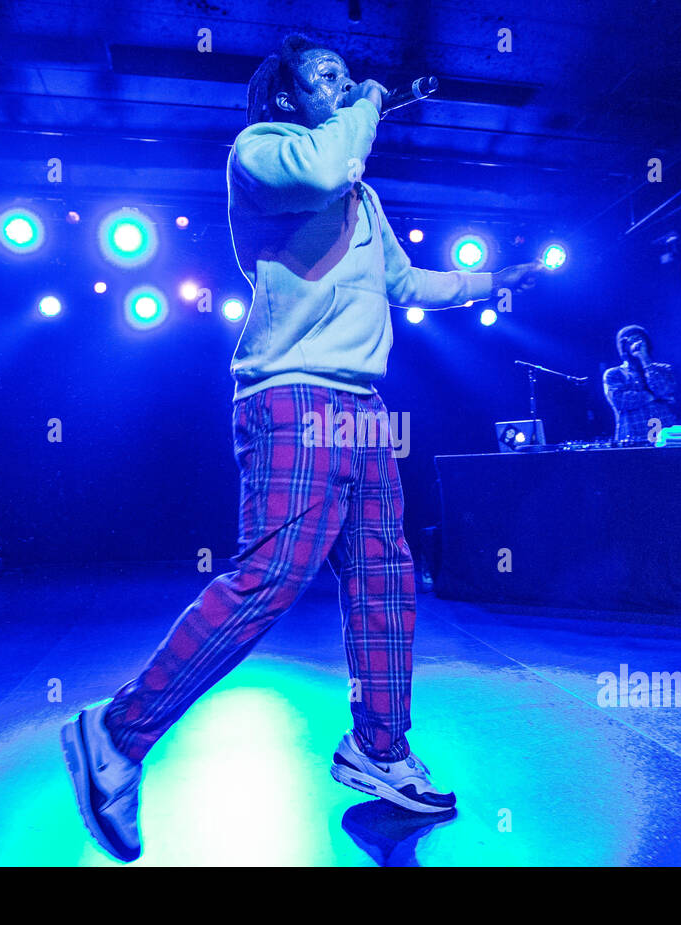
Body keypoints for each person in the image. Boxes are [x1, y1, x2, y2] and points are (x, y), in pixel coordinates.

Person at [60, 33, 544, 862]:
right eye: (329, 77)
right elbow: (327, 170)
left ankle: (381, 749)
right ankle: (116, 732)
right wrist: (364, 108)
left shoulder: (365, 197)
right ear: (292, 99)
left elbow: (405, 286)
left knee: (386, 580)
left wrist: (489, 284)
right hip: (291, 395)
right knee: (270, 576)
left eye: (350, 75)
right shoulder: (265, 152)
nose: (351, 82)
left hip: (363, 408)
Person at [603, 324, 677, 444]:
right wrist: (653, 396)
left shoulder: (663, 369)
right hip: (632, 438)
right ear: (623, 347)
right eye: (632, 340)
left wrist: (644, 359)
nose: (637, 344)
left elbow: (663, 389)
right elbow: (621, 401)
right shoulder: (614, 374)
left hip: (664, 435)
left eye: (640, 339)